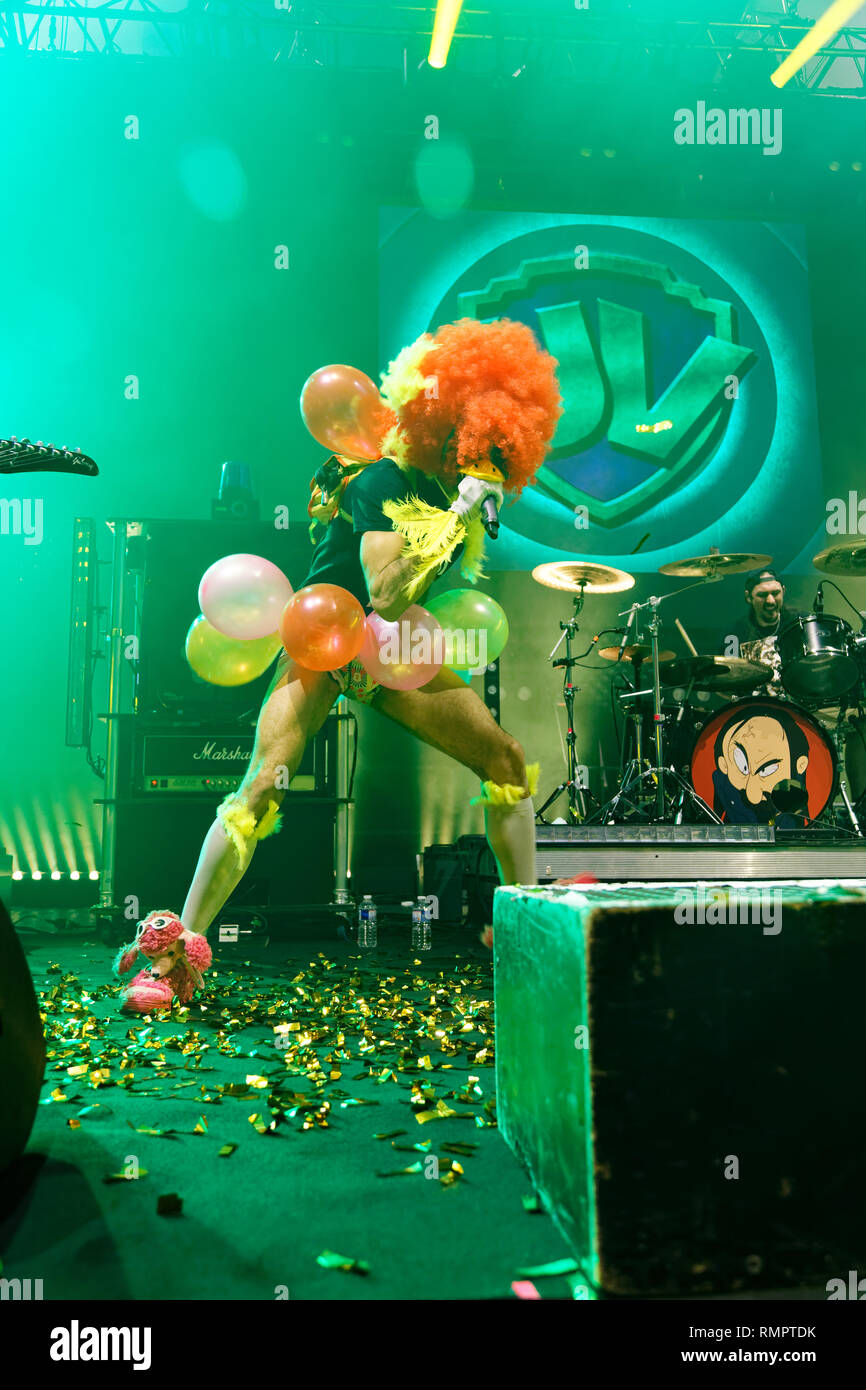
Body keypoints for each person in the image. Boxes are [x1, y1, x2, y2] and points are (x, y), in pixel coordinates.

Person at [121, 319, 563, 1007]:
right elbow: (384, 590)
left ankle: (529, 938)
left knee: (505, 763)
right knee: (262, 788)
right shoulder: (381, 479)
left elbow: (401, 610)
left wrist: (460, 512)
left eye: (486, 450)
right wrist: (452, 523)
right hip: (326, 636)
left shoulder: (452, 491)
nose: (471, 461)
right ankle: (176, 959)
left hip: (389, 650)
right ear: (437, 422)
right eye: (463, 442)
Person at [717, 567, 802, 694]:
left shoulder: (800, 623)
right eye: (762, 595)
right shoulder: (734, 633)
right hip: (754, 708)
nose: (770, 601)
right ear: (749, 597)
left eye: (775, 593)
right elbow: (728, 681)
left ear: (783, 591)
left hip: (796, 706)